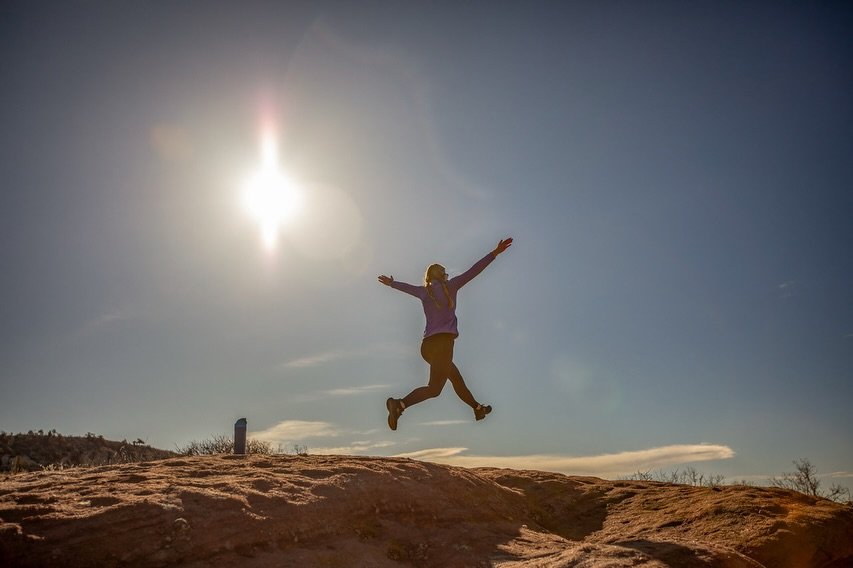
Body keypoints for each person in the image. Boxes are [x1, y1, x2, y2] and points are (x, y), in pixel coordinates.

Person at [378, 237, 513, 430]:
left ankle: (477, 407)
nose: (447, 273)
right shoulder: (452, 286)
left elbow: (407, 288)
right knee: (434, 390)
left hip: (427, 348)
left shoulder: (424, 291)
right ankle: (399, 404)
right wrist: (494, 253)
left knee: (456, 378)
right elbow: (474, 271)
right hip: (443, 345)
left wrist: (392, 283)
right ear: (438, 274)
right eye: (444, 271)